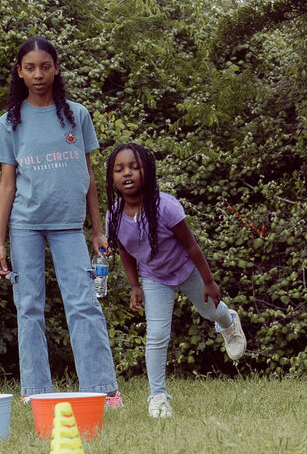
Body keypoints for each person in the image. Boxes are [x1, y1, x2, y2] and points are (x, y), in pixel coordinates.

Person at [0, 37, 122, 406]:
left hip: (69, 226)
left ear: (56, 68)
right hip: (25, 225)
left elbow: (90, 178)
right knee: (29, 306)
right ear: (20, 72)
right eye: (30, 67)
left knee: (83, 303)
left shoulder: (76, 115)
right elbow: (7, 184)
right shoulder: (9, 122)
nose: (38, 74)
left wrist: (97, 229)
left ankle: (103, 389)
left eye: (44, 66)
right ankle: (35, 392)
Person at [105, 143, 247, 419]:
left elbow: (192, 246)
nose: (127, 174)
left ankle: (228, 322)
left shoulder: (165, 206)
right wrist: (134, 286)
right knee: (157, 335)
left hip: (187, 271)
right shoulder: (114, 216)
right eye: (119, 169)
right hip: (154, 278)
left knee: (209, 311)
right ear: (111, 177)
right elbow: (125, 251)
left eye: (135, 167)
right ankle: (157, 396)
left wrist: (209, 282)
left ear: (148, 171)